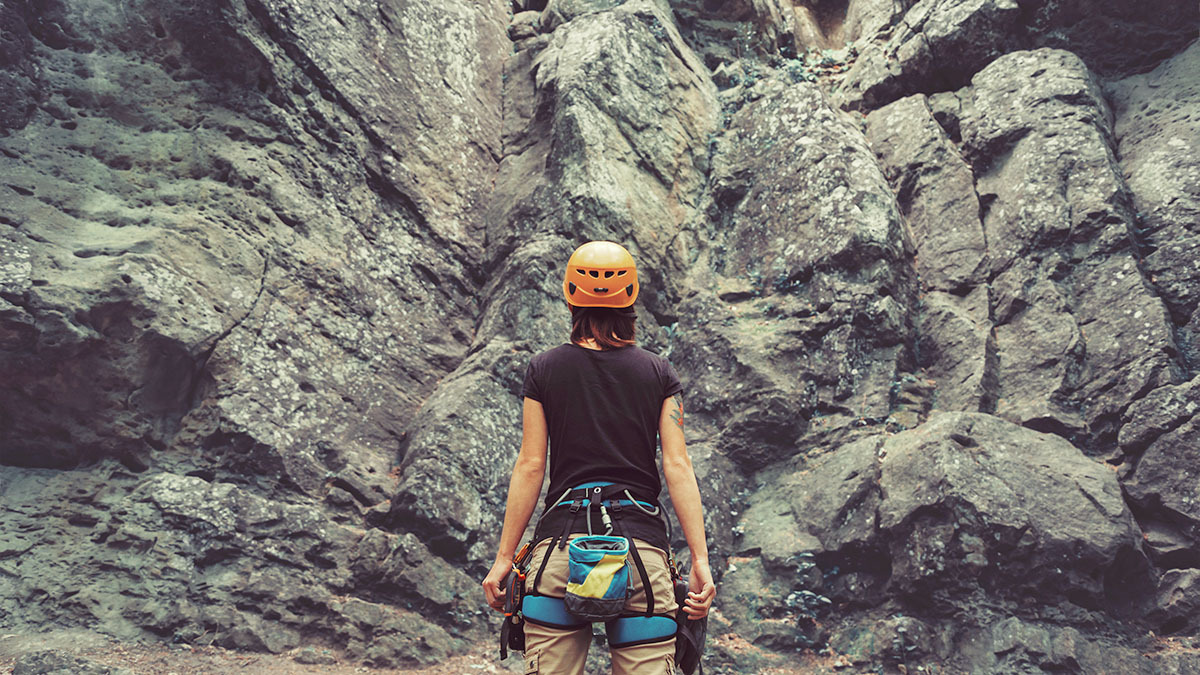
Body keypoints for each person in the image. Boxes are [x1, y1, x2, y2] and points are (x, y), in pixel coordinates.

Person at [482, 240, 715, 674]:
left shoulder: (544, 369)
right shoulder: (659, 372)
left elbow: (531, 465)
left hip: (559, 552)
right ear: (632, 300)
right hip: (640, 555)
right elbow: (677, 465)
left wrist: (503, 559)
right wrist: (700, 562)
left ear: (570, 297)